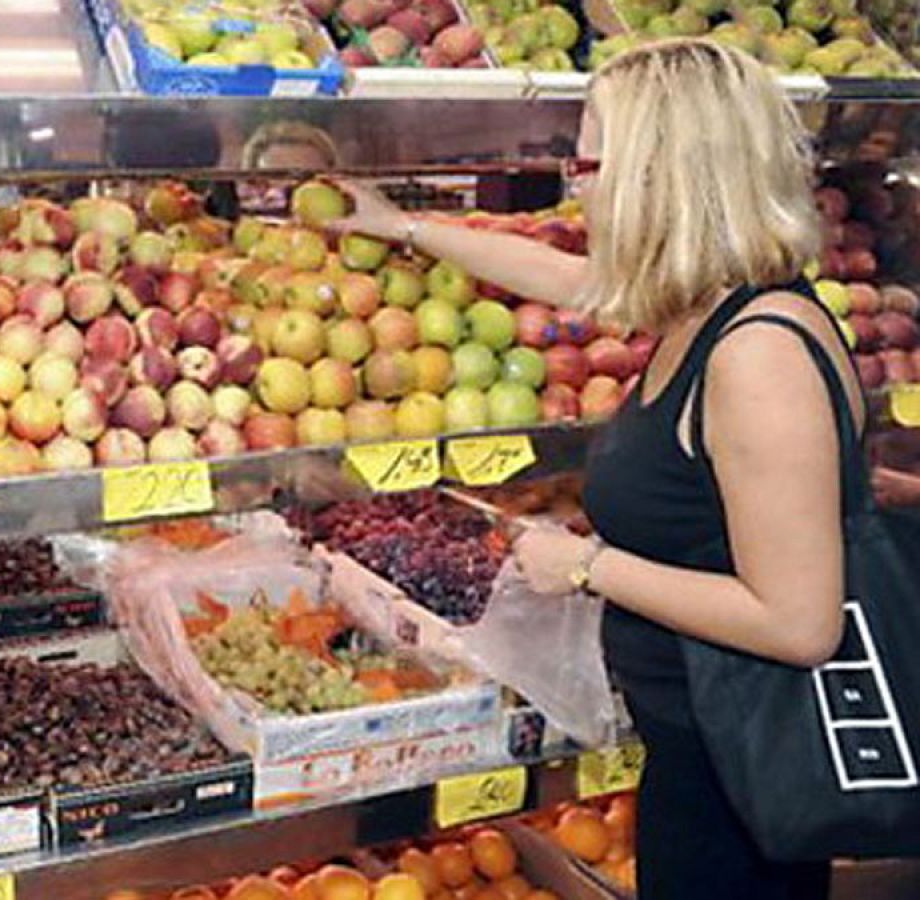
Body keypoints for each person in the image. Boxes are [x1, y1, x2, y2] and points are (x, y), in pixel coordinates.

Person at [329, 40, 846, 900]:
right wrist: (406, 227)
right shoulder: (710, 304)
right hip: (701, 750)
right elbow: (576, 279)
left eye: (593, 158)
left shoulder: (759, 353)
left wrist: (587, 566)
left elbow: (799, 623)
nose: (577, 183)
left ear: (662, 173)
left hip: (743, 782)